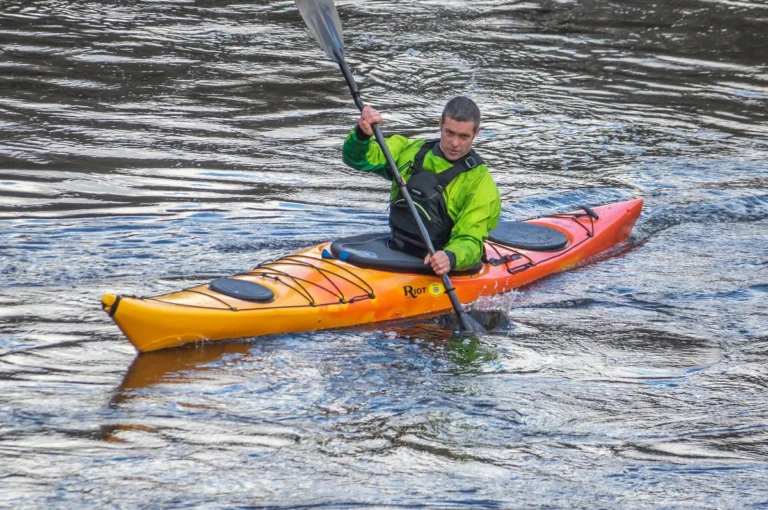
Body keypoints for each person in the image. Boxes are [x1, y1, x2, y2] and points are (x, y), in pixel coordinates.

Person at [342, 96, 501, 276]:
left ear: (476, 133)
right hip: (396, 248)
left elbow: (471, 240)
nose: (455, 143)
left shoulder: (480, 184)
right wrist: (362, 135)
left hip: (437, 263)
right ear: (440, 124)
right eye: (450, 133)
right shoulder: (408, 150)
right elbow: (356, 159)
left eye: (464, 136)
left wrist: (450, 256)